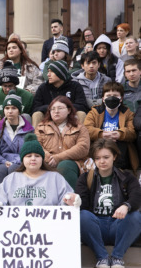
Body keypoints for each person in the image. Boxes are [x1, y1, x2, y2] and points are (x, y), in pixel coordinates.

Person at [76, 138, 141, 268]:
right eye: (98, 158)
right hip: (96, 227)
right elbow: (83, 205)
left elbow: (136, 198)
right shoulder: (85, 178)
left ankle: (117, 257)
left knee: (136, 216)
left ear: (114, 157)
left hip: (118, 225)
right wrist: (75, 201)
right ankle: (102, 258)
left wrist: (126, 206)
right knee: (82, 215)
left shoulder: (127, 178)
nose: (102, 161)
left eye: (106, 157)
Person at [0, 133, 80, 211]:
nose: (33, 159)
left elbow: (66, 200)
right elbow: (0, 197)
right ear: (22, 159)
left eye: (37, 156)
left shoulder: (55, 178)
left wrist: (71, 200)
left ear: (42, 159)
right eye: (29, 156)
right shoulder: (11, 178)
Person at [35, 96, 90, 189]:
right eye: (53, 109)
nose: (56, 111)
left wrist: (59, 158)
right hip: (47, 161)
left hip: (72, 163)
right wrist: (49, 158)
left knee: (65, 165)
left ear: (69, 110)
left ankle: (70, 199)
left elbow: (83, 147)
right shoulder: (41, 127)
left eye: (60, 108)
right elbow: (36, 145)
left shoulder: (79, 127)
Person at [84, 82, 138, 173]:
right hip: (99, 146)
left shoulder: (128, 113)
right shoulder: (94, 112)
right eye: (108, 95)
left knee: (121, 144)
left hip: (119, 149)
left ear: (121, 99)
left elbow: (132, 132)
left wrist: (119, 134)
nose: (111, 98)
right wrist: (102, 134)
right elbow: (86, 129)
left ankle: (117, 172)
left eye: (115, 95)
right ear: (103, 99)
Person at [0, 91, 34, 189]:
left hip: (21, 162)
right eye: (7, 108)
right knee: (0, 170)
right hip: (2, 162)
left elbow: (30, 151)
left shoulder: (28, 129)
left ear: (19, 110)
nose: (10, 111)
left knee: (13, 168)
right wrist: (3, 161)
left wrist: (15, 162)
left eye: (13, 108)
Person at [32, 60, 89, 128]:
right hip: (49, 117)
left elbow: (82, 106)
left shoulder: (75, 86)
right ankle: (36, 138)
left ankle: (80, 137)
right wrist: (53, 108)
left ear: (60, 74)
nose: (48, 74)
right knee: (37, 114)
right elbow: (35, 108)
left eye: (52, 71)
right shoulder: (43, 87)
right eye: (48, 71)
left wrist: (64, 108)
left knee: (81, 114)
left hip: (69, 117)